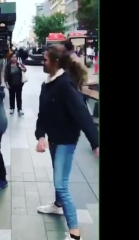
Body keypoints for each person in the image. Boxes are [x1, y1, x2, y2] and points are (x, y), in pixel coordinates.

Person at [35, 44, 99, 240]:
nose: (42, 62)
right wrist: (40, 136)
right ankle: (57, 205)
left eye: (45, 59)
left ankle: (74, 233)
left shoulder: (65, 84)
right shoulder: (48, 83)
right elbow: (43, 113)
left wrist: (95, 143)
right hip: (54, 139)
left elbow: (82, 114)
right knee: (57, 174)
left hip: (66, 141)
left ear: (55, 62)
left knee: (61, 184)